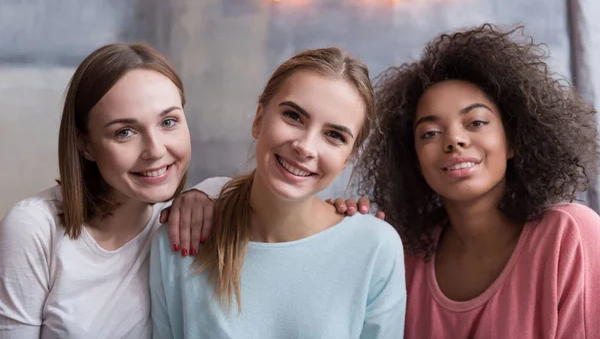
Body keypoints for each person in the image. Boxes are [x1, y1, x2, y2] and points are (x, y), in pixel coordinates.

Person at [347, 24, 600, 337]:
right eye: (430, 133)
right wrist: (340, 234)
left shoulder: (568, 235)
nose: (454, 140)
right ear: (413, 158)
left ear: (513, 140)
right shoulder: (404, 256)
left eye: (476, 122)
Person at [150, 47, 407, 338]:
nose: (306, 147)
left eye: (334, 135)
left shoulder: (375, 249)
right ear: (258, 119)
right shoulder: (180, 239)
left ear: (347, 158)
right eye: (293, 116)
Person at [0, 44, 226, 338]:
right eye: (125, 132)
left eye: (168, 122)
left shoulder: (185, 223)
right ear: (85, 145)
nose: (155, 150)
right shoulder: (34, 228)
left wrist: (210, 190)